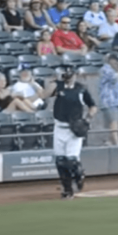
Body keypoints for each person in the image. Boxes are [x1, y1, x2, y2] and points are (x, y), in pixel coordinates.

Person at [41, 66, 97, 199]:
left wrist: (87, 119)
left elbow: (93, 106)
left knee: (71, 160)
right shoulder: (58, 86)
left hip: (73, 128)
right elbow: (45, 94)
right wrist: (55, 80)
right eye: (66, 75)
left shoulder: (81, 89)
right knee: (60, 161)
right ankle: (67, 189)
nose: (69, 78)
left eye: (70, 75)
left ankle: (79, 176)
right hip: (59, 127)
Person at [99, 54, 118, 146]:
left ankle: (110, 142)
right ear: (111, 61)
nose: (117, 63)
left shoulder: (114, 70)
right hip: (110, 101)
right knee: (114, 123)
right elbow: (113, 78)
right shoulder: (106, 68)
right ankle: (117, 144)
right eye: (115, 61)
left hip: (117, 101)